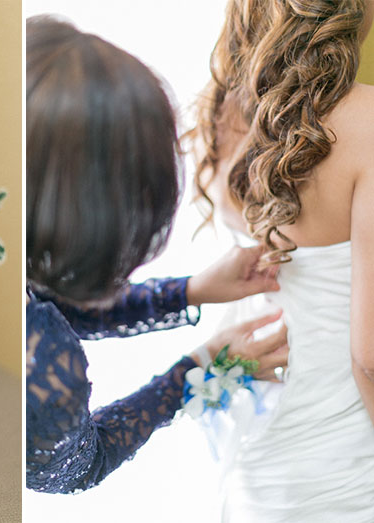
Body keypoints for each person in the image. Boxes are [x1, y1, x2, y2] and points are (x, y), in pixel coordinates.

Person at [26, 16, 288, 495]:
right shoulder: (42, 363)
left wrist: (191, 291)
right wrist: (196, 369)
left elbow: (49, 306)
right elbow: (80, 463)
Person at [189, 0, 374, 520]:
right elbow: (370, 357)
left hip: (258, 458)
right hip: (347, 458)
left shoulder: (227, 110)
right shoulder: (369, 125)